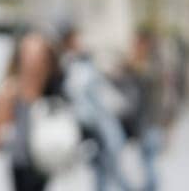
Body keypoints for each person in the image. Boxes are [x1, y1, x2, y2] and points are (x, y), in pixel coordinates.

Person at [57, 27, 133, 191]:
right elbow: (77, 92)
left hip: (99, 125)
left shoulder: (81, 62)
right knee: (106, 170)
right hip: (93, 126)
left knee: (108, 170)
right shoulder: (73, 64)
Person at [0, 31, 66, 191]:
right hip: (21, 159)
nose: (33, 60)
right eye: (29, 54)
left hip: (45, 156)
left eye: (38, 55)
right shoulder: (11, 89)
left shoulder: (52, 88)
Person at [113, 29, 166, 191]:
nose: (134, 47)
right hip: (143, 124)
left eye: (137, 43)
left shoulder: (151, 66)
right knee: (143, 164)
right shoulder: (141, 66)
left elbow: (147, 80)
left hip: (150, 123)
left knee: (148, 163)